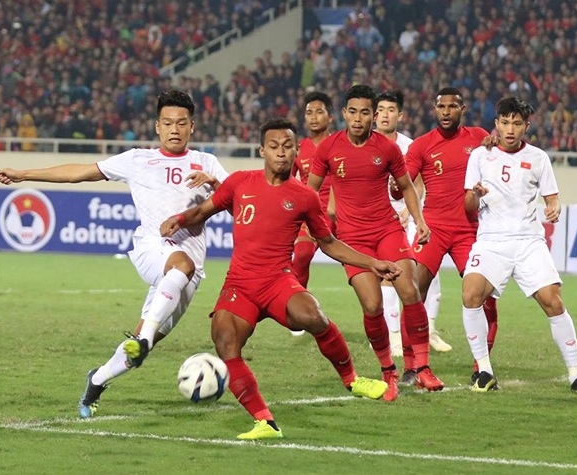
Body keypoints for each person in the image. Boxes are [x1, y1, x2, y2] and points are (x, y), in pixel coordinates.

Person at [161, 117, 401, 440]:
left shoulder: (304, 197)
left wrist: (373, 263)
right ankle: (264, 421)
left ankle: (352, 379)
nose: (281, 153)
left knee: (312, 315)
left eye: (288, 147)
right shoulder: (240, 183)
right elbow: (202, 211)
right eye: (274, 146)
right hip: (240, 284)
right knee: (224, 339)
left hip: (277, 280)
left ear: (296, 151)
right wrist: (178, 219)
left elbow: (328, 243)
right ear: (261, 149)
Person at [0, 90, 230, 418]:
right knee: (180, 266)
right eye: (167, 123)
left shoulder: (208, 163)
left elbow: (244, 201)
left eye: (181, 123)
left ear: (193, 126)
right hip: (153, 248)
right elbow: (78, 172)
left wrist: (217, 183)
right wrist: (24, 174)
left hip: (189, 271)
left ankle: (97, 381)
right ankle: (144, 338)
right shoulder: (138, 159)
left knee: (137, 348)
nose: (174, 128)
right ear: (157, 127)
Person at [308, 84, 445, 403]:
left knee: (409, 290)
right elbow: (309, 191)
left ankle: (422, 367)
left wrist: (420, 221)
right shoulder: (328, 148)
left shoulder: (387, 148)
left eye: (365, 112)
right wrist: (310, 224)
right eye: (352, 112)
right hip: (352, 240)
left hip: (387, 230)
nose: (358, 118)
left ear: (374, 115)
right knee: (372, 305)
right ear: (344, 114)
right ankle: (389, 372)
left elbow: (408, 187)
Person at [462, 96, 577, 396]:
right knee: (471, 293)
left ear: (527, 126)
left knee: (553, 301)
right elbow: (468, 206)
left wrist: (555, 207)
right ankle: (483, 372)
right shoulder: (480, 156)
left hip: (528, 241)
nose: (510, 129)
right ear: (496, 123)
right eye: (505, 122)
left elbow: (551, 198)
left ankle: (576, 376)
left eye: (517, 123)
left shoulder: (538, 158)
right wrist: (478, 193)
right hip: (492, 241)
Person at [404, 86, 500, 383]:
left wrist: (495, 146)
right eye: (441, 106)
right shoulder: (421, 145)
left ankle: (480, 367)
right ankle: (412, 366)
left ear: (463, 109)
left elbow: (501, 167)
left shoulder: (479, 138)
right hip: (433, 227)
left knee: (485, 297)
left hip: (470, 230)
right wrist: (397, 188)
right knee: (412, 292)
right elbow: (404, 180)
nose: (446, 111)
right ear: (435, 109)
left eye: (452, 106)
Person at [375, 90, 451, 364]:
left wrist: (409, 211)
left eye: (390, 109)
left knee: (427, 269)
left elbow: (417, 183)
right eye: (380, 109)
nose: (385, 114)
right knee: (389, 275)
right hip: (378, 221)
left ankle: (429, 329)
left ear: (400, 115)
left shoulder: (410, 145)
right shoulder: (364, 143)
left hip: (407, 217)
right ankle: (395, 335)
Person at [289, 91, 334, 337]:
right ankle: (300, 309)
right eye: (309, 113)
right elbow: (290, 181)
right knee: (303, 253)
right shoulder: (300, 147)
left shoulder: (340, 142)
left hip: (344, 212)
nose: (313, 117)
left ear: (330, 116)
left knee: (364, 265)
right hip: (313, 213)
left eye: (319, 112)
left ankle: (382, 323)